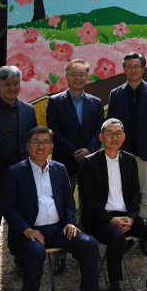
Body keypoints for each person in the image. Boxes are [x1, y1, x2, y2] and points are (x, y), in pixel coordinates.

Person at [2, 127, 105, 291]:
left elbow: (68, 200)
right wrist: (26, 230)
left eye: (45, 142)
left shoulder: (59, 168)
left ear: (51, 146)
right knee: (35, 252)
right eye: (36, 142)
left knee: (89, 244)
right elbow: (9, 207)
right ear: (27, 145)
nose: (41, 146)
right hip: (29, 233)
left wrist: (70, 222)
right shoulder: (14, 172)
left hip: (58, 229)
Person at [79, 119, 147, 291]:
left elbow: (135, 192)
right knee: (117, 237)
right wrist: (110, 219)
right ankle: (114, 289)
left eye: (118, 133)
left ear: (124, 137)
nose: (114, 137)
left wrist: (131, 217)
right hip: (99, 219)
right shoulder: (90, 162)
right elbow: (87, 199)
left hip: (126, 216)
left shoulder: (129, 160)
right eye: (109, 133)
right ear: (101, 137)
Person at [45, 58, 104, 275]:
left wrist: (88, 150)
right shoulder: (55, 101)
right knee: (63, 207)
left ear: (87, 77)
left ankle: (86, 249)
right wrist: (74, 151)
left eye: (82, 74)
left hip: (89, 162)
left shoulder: (96, 102)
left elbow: (99, 130)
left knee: (88, 206)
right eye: (74, 74)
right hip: (64, 161)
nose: (78, 78)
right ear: (67, 76)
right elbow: (54, 131)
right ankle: (60, 254)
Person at [0, 65, 37, 286]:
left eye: (15, 83)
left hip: (20, 176)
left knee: (20, 221)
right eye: (7, 84)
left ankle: (21, 261)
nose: (12, 88)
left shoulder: (28, 110)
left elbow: (31, 142)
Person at [108, 52, 147, 255]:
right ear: (124, 69)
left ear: (143, 69)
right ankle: (124, 235)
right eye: (129, 66)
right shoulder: (115, 94)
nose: (133, 70)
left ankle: (146, 235)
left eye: (137, 66)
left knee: (146, 195)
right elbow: (110, 125)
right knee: (121, 195)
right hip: (121, 153)